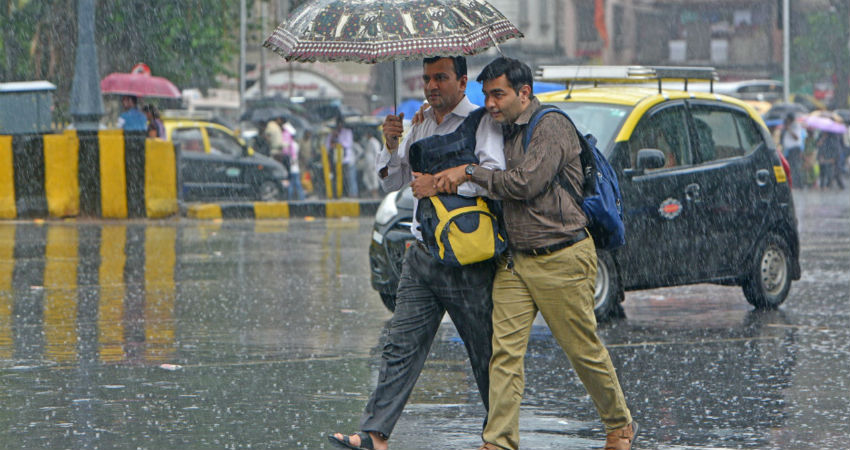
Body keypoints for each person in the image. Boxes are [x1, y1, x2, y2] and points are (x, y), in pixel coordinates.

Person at [434, 57, 636, 450]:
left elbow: (526, 182)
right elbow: (464, 127)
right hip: (515, 262)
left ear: (524, 93)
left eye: (498, 94)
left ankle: (620, 424)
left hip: (562, 256)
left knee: (583, 351)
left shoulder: (552, 126)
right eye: (487, 95)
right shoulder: (500, 128)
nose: (490, 104)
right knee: (504, 354)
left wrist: (471, 172)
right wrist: (435, 109)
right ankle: (499, 441)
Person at [328, 55, 505, 450]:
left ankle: (499, 437)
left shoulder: (482, 123)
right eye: (426, 79)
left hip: (469, 260)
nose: (431, 86)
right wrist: (391, 143)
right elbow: (392, 181)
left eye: (440, 78)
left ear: (462, 82)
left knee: (486, 353)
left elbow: (494, 179)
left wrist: (442, 183)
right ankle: (374, 434)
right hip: (423, 255)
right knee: (400, 345)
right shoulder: (420, 123)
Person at [326, 115, 358, 197]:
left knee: (350, 179)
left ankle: (353, 195)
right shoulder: (332, 133)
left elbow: (347, 144)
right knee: (339, 179)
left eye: (340, 124)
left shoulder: (347, 132)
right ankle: (340, 194)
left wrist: (338, 142)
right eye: (338, 124)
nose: (339, 126)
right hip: (336, 161)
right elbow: (328, 146)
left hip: (347, 159)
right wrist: (333, 137)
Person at [282, 121, 305, 200]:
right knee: (296, 184)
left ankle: (291, 199)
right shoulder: (295, 145)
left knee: (293, 184)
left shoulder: (290, 145)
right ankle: (301, 198)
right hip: (295, 167)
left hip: (292, 167)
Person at [781, 113, 805, 189]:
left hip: (794, 149)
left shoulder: (796, 126)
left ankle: (799, 184)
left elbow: (796, 137)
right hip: (789, 149)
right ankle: (793, 183)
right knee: (790, 166)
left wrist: (789, 129)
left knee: (795, 166)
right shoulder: (789, 126)